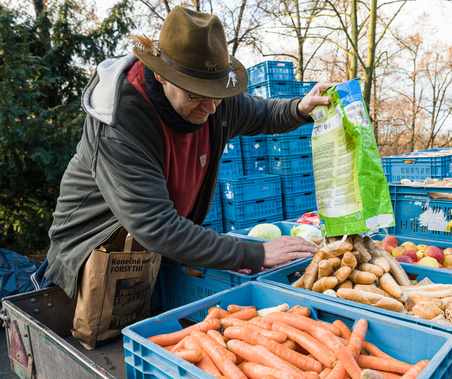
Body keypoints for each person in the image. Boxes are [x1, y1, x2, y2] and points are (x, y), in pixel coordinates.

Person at [45, 6, 329, 299]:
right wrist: (255, 253)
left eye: (217, 97)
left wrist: (299, 108)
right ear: (162, 76)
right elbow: (157, 225)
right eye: (195, 96)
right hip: (90, 260)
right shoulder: (122, 122)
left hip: (150, 255)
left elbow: (261, 113)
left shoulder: (213, 98)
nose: (209, 109)